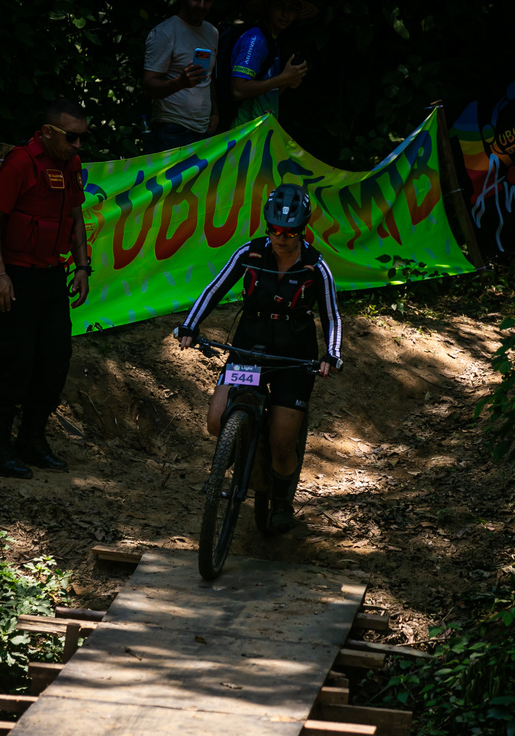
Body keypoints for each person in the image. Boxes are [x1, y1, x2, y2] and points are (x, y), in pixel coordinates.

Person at [175, 184, 342, 532]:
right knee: (216, 421)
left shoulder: (316, 267)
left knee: (282, 441)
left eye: (290, 232)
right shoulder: (249, 253)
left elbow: (331, 316)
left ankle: (281, 501)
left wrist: (332, 353)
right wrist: (190, 325)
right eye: (275, 230)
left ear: (302, 230)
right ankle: (234, 456)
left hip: (294, 358)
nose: (281, 237)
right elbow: (215, 288)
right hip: (250, 348)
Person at [0, 98, 92, 480]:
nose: (78, 145)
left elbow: (75, 214)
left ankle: (32, 439)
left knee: (55, 357)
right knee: (16, 360)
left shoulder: (71, 164)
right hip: (18, 275)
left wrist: (82, 266)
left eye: (82, 137)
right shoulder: (21, 162)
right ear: (47, 132)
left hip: (52, 274)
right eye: (71, 137)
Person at [142, 0, 219, 151]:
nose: (202, 5)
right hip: (172, 129)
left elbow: (207, 77)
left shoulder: (212, 32)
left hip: (203, 129)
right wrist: (180, 82)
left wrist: (214, 112)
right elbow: (147, 86)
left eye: (208, 0)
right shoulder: (164, 33)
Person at [228, 0, 315, 126]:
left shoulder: (273, 41)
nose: (285, 14)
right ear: (268, 8)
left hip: (261, 130)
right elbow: (238, 90)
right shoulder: (257, 39)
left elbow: (268, 92)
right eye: (280, 6)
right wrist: (283, 78)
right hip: (243, 130)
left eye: (292, 9)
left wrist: (289, 80)